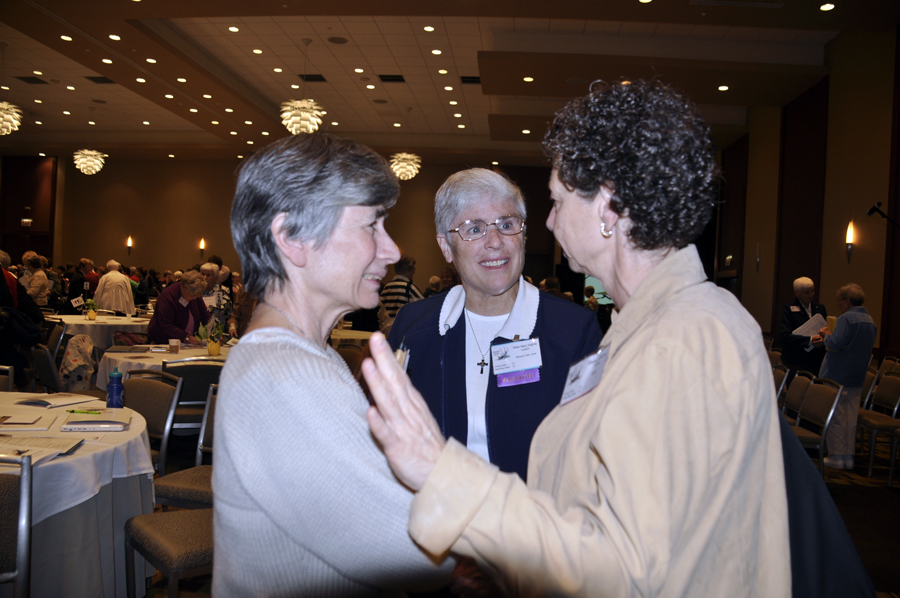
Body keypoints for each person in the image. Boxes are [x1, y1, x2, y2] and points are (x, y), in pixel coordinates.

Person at [364, 80, 792, 597]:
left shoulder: (679, 342)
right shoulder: (656, 329)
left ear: (607, 208)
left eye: (557, 201)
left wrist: (443, 475)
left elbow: (624, 572)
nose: (548, 221)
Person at [213, 132, 453, 596]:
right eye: (372, 226)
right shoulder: (286, 375)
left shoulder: (303, 356)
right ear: (292, 238)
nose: (392, 251)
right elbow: (418, 548)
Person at [389, 168, 602, 480]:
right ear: (446, 246)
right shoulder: (414, 329)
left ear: (523, 236)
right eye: (474, 229)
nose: (495, 242)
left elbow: (590, 451)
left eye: (506, 225)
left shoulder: (574, 331)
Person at [811, 283, 877, 470]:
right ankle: (848, 457)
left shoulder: (846, 319)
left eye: (840, 300)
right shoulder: (870, 321)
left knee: (837, 417)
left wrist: (826, 334)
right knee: (851, 418)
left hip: (838, 374)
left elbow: (834, 343)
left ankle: (836, 456)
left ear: (848, 300)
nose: (839, 304)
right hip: (857, 376)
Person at [780, 277, 827, 379]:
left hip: (816, 360)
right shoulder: (788, 309)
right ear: (797, 293)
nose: (811, 295)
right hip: (796, 360)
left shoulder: (820, 308)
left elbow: (825, 328)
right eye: (807, 292)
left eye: (812, 291)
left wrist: (823, 339)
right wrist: (810, 340)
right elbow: (785, 336)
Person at [147, 270, 209, 345]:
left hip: (188, 344)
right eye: (192, 295)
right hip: (165, 342)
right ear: (184, 288)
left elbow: (205, 315)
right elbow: (166, 325)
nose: (195, 298)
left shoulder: (195, 293)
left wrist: (214, 330)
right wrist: (187, 337)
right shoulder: (168, 297)